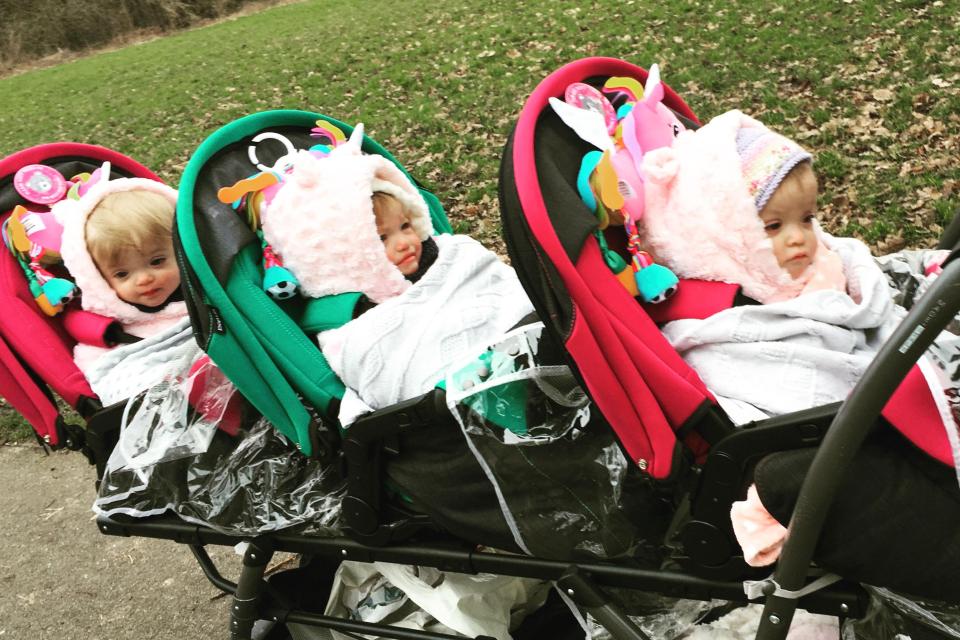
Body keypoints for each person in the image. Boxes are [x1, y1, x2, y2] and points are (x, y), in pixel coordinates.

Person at [255, 130, 535, 424]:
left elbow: (496, 282)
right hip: (456, 404)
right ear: (345, 256)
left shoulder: (449, 255)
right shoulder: (346, 321)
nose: (404, 242)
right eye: (381, 237)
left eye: (405, 225)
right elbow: (383, 365)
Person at [56, 173, 194, 405]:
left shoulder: (206, 292)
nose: (144, 279)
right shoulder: (106, 329)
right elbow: (104, 373)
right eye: (122, 274)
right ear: (99, 280)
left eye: (157, 261)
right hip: (167, 394)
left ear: (181, 249)